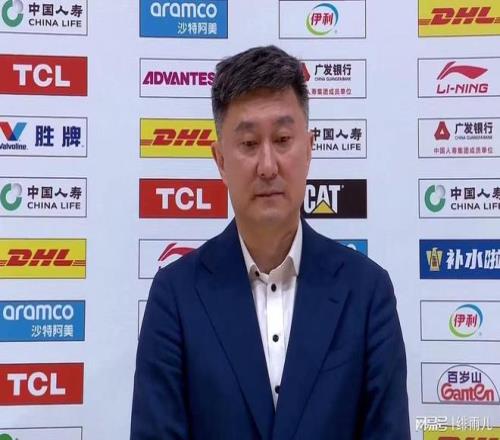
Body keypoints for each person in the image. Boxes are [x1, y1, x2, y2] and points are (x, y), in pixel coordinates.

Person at [130, 45, 411, 440]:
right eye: (248, 144)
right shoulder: (175, 295)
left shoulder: (366, 292)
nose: (267, 166)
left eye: (282, 139)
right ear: (220, 160)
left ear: (309, 148)